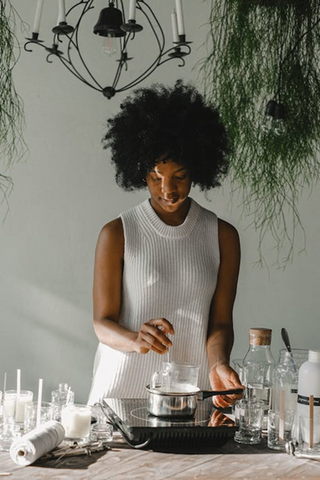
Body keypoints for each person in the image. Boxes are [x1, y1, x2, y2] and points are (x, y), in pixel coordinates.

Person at [88, 80, 244, 409]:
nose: (168, 189)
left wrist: (218, 365)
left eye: (180, 176)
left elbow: (220, 323)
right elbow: (102, 323)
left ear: (198, 169)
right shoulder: (117, 233)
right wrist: (135, 339)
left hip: (191, 397)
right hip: (120, 397)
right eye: (156, 176)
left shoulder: (222, 236)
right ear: (139, 170)